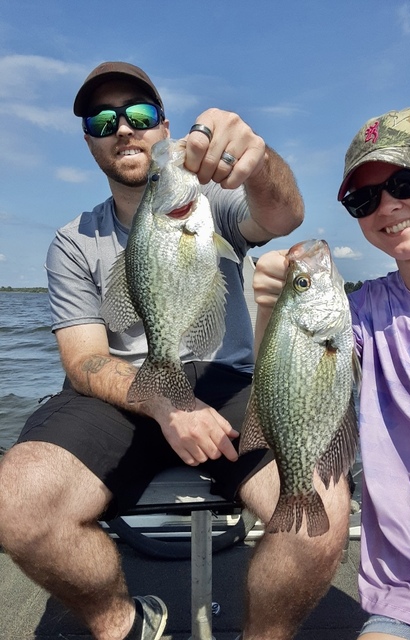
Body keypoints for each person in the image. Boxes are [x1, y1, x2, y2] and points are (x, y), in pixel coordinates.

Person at [0, 61, 350, 640]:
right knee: (17, 501)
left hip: (227, 381)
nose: (123, 129)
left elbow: (285, 212)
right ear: (88, 138)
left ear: (164, 128)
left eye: (138, 114)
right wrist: (166, 405)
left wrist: (258, 163)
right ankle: (128, 626)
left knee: (320, 512)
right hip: (124, 392)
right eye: (102, 119)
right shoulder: (74, 240)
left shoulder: (213, 203)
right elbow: (86, 360)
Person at [253, 106, 410, 640]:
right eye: (365, 197)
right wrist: (271, 309)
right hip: (402, 597)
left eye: (406, 180)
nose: (388, 205)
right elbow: (287, 382)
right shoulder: (363, 312)